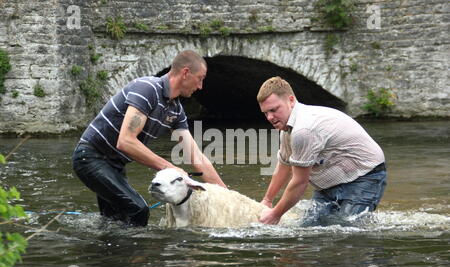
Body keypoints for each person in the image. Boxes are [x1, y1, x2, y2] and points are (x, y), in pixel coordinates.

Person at [72, 50, 226, 227]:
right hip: (90, 157)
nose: (201, 86)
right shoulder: (147, 89)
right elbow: (126, 141)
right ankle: (138, 254)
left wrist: (227, 195)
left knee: (115, 222)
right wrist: (171, 168)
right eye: (200, 78)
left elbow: (196, 157)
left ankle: (110, 253)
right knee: (138, 210)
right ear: (185, 73)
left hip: (115, 165)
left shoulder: (175, 111)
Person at [257, 76, 386, 226]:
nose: (270, 117)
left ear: (291, 100)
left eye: (274, 110)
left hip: (365, 175)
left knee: (348, 231)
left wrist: (275, 214)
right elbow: (284, 164)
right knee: (308, 230)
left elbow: (299, 182)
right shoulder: (286, 130)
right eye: (265, 113)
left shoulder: (303, 130)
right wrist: (267, 200)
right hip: (329, 183)